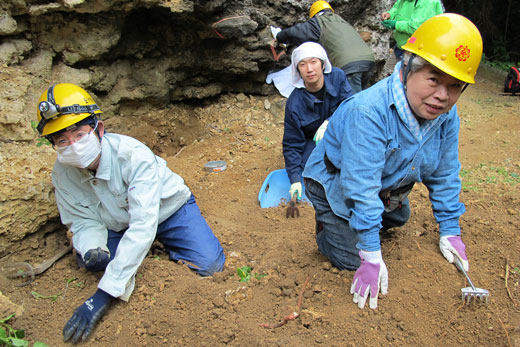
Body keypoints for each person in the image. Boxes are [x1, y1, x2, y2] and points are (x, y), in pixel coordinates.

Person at [302, 13, 482, 310]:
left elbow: (445, 172)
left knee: (398, 219)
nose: (442, 96)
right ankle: (328, 228)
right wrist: (370, 254)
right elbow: (360, 186)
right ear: (407, 68)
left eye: (454, 87)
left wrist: (450, 228)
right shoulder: (368, 112)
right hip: (335, 179)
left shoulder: (446, 116)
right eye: (434, 80)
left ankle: (366, 220)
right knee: (350, 259)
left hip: (387, 179)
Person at [35, 83, 226, 343]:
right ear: (53, 145)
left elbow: (143, 224)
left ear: (98, 129)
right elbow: (82, 221)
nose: (73, 145)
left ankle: (154, 249)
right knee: (95, 262)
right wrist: (92, 247)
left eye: (79, 134)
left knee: (209, 265)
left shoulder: (133, 156)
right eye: (62, 141)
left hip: (167, 210)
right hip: (116, 224)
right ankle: (132, 255)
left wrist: (102, 296)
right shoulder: (62, 174)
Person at [283, 42, 353, 201]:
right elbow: (292, 143)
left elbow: (350, 106)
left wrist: (331, 121)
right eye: (302, 64)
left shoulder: (338, 77)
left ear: (322, 64)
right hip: (314, 141)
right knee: (309, 167)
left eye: (313, 62)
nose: (309, 69)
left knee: (353, 154)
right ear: (298, 70)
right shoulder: (294, 104)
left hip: (341, 133)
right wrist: (295, 180)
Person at [272, 0, 375, 94]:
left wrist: (279, 36)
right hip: (369, 61)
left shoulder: (319, 22)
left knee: (353, 105)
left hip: (350, 65)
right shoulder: (340, 21)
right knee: (361, 98)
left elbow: (295, 32)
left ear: (314, 14)